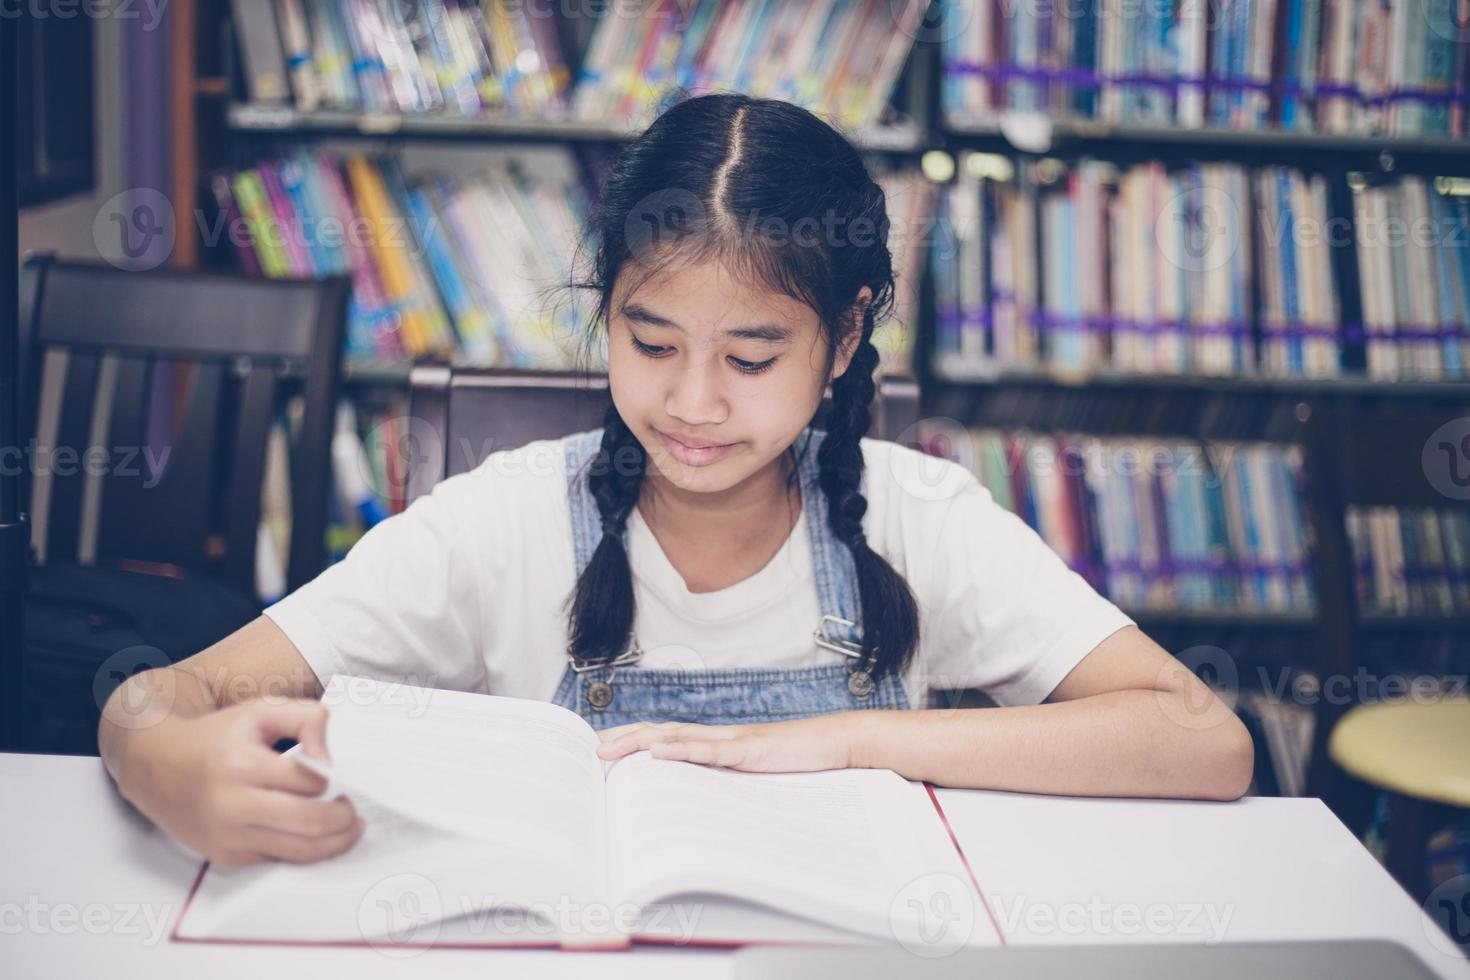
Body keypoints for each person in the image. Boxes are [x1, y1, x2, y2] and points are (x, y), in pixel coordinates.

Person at [98, 93, 1253, 871]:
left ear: (843, 341)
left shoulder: (916, 515)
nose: (694, 404)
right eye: (651, 345)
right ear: (606, 316)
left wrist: (854, 738)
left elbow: (1204, 739)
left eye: (751, 358)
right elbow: (163, 695)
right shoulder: (502, 519)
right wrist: (162, 761)